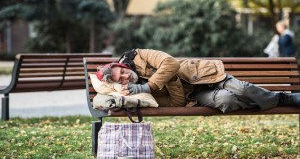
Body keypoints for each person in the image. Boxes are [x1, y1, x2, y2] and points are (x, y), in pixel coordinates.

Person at [96, 49, 300, 113]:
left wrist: (147, 85)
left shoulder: (139, 55)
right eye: (119, 80)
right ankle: (272, 101)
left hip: (203, 75)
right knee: (226, 101)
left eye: (121, 72)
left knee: (242, 88)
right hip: (195, 95)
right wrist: (168, 81)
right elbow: (176, 103)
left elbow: (170, 62)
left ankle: (281, 98)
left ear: (122, 66)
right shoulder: (138, 94)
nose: (124, 77)